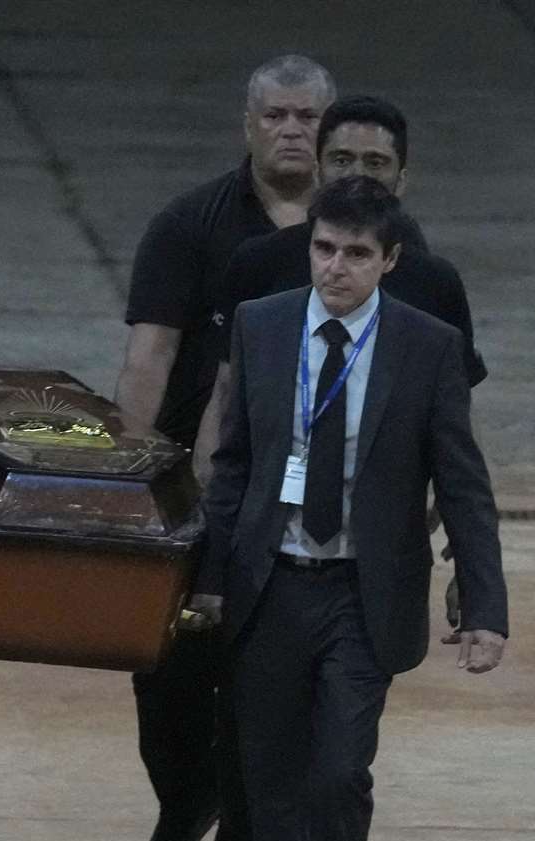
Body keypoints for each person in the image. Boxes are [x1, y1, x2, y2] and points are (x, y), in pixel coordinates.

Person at [190, 177, 508, 841]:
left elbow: (464, 483)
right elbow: (234, 466)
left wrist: (485, 603)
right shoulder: (261, 326)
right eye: (325, 248)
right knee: (273, 789)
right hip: (271, 586)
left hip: (362, 597)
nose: (336, 267)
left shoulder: (426, 346)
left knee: (337, 779)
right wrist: (209, 580)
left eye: (357, 254)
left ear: (390, 260)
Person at [113, 53, 336, 841]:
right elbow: (149, 357)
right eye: (276, 115)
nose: (292, 131)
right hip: (194, 485)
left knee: (265, 694)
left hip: (303, 499)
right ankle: (182, 804)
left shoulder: (356, 233)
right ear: (248, 124)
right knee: (163, 676)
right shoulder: (189, 225)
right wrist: (129, 480)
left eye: (307, 117)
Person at [200, 96, 488, 626]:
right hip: (266, 541)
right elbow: (224, 409)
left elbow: (457, 434)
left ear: (402, 179)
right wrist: (206, 554)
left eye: (376, 163)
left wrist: (467, 567)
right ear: (317, 165)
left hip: (374, 545)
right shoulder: (260, 265)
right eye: (342, 159)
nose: (358, 175)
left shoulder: (433, 283)